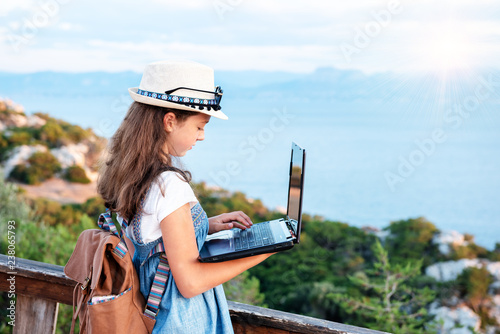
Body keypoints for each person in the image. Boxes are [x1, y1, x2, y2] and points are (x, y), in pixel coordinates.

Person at [97, 60, 273, 333]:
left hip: (158, 320)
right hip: (184, 323)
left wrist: (207, 224)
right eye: (200, 126)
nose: (201, 137)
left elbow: (153, 236)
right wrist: (265, 250)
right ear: (169, 121)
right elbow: (189, 283)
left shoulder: (135, 176)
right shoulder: (169, 185)